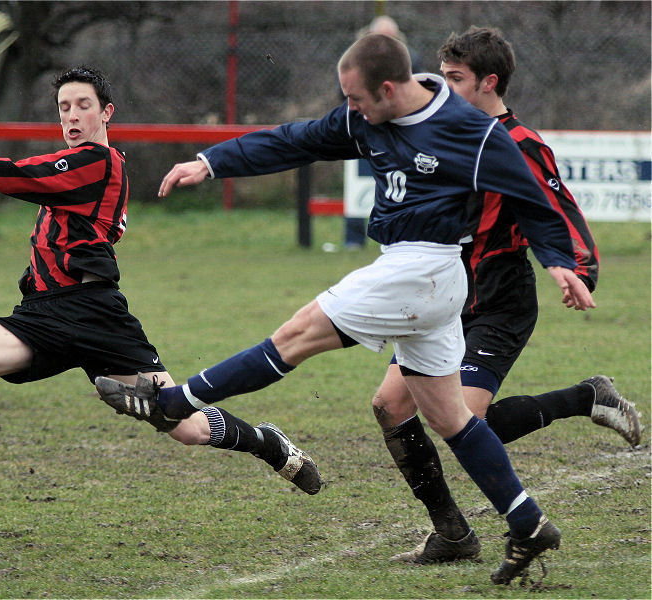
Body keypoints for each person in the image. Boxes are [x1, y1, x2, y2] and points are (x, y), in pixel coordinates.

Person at [95, 34, 596, 585]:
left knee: (296, 335)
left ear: (387, 88)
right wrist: (211, 162)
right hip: (425, 281)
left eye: (356, 99)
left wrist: (560, 261)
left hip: (424, 269)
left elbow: (535, 197)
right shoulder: (365, 118)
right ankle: (527, 523)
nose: (350, 110)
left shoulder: (470, 132)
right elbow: (296, 140)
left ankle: (171, 401)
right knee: (450, 417)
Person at [0, 66, 322, 496]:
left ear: (106, 113)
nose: (71, 115)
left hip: (95, 316)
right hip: (41, 316)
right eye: (63, 107)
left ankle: (266, 442)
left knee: (184, 425)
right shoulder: (74, 169)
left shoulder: (96, 163)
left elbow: (8, 176)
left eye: (82, 105)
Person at [373, 26, 642, 568]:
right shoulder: (444, 134)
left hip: (500, 296)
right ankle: (450, 533)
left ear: (488, 82)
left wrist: (578, 266)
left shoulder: (521, 144)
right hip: (441, 294)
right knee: (389, 406)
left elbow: (558, 207)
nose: (442, 88)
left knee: (465, 422)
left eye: (455, 79)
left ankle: (586, 397)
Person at [344, 15, 425, 249]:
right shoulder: (353, 61)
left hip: (401, 136)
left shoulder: (412, 60)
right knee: (356, 188)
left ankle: (402, 238)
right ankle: (353, 240)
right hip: (366, 131)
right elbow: (343, 94)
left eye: (391, 38)